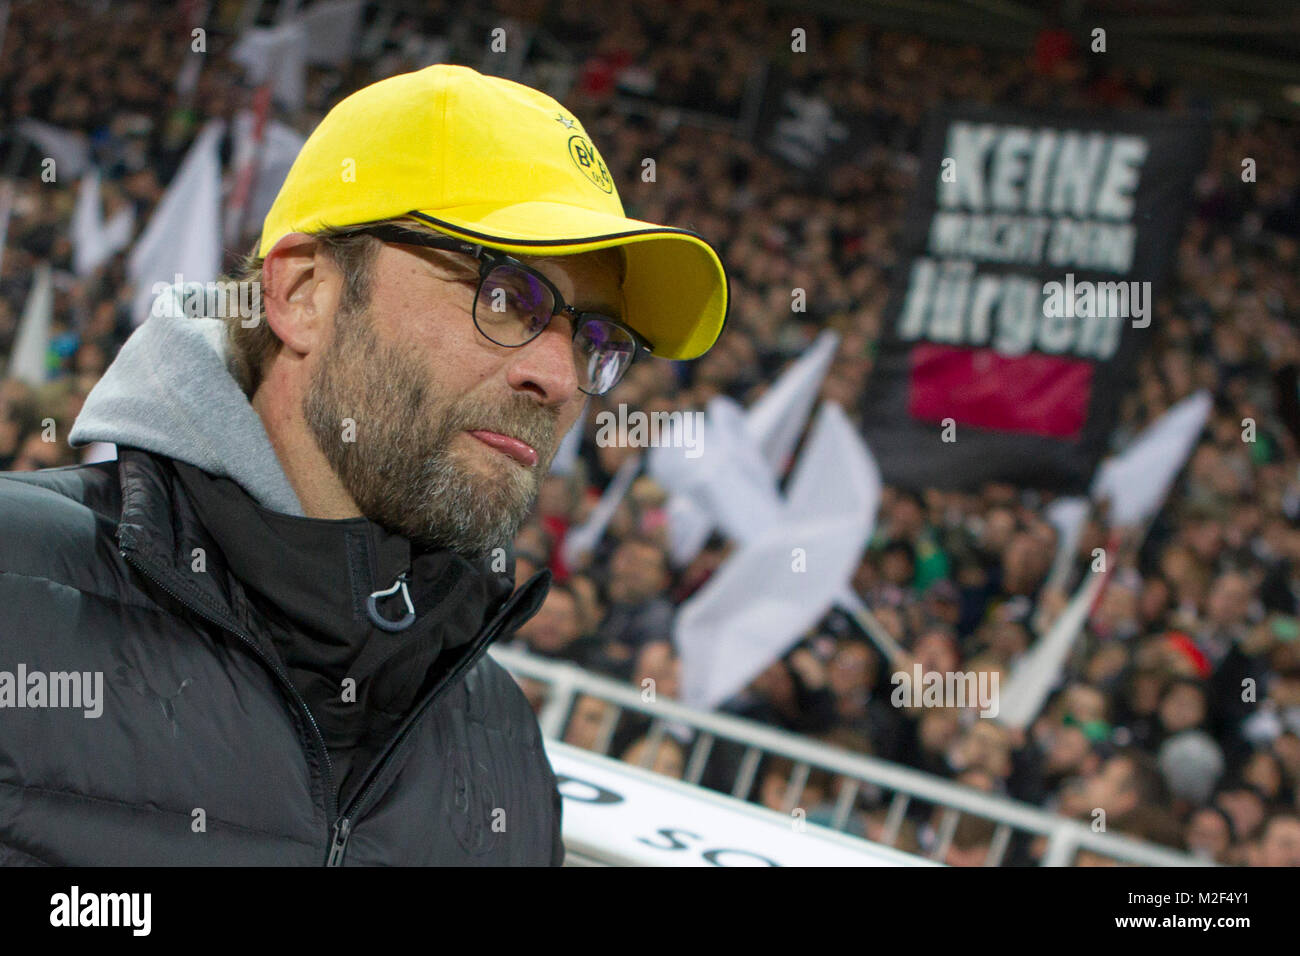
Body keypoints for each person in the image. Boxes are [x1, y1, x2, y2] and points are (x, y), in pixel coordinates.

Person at [0, 64, 728, 866]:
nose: (559, 381)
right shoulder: (15, 586)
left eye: (595, 341)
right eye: (507, 296)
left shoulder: (509, 758)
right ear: (305, 290)